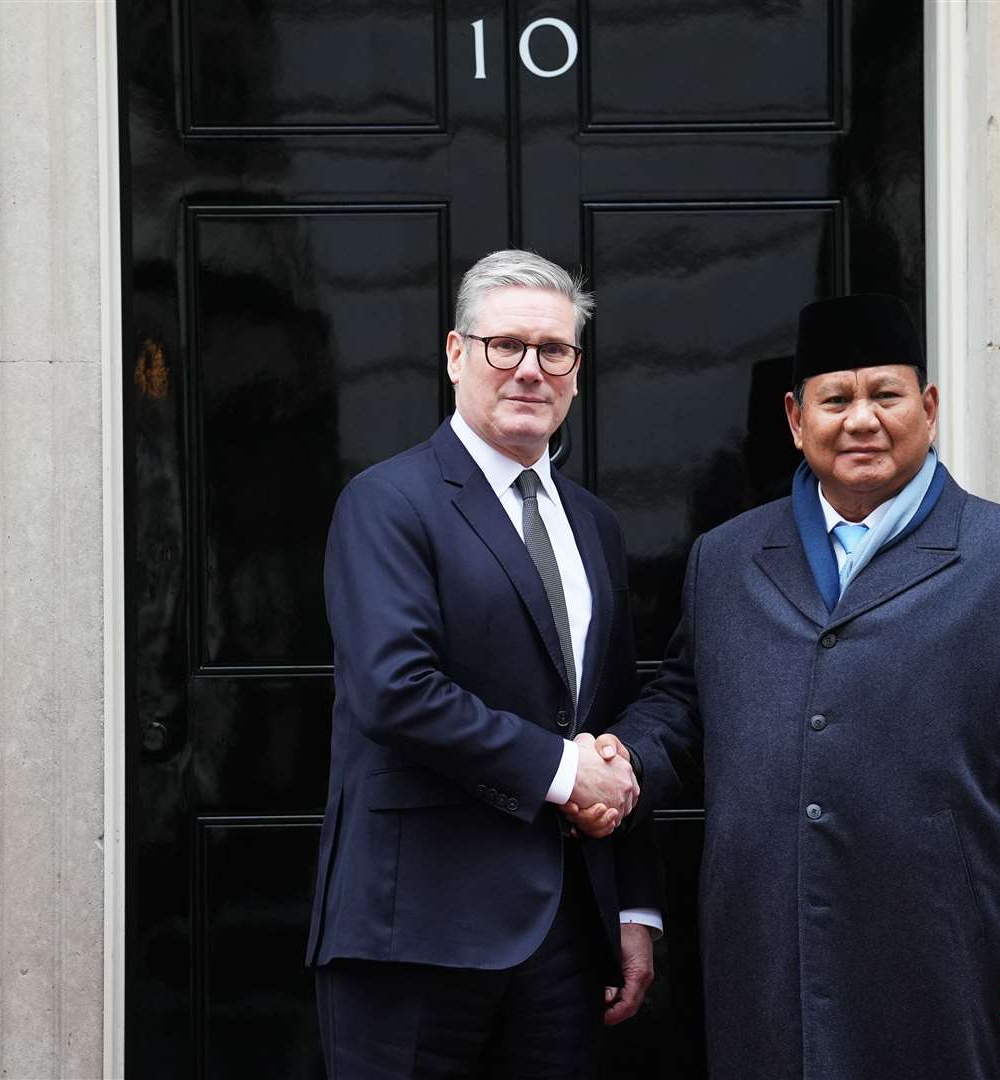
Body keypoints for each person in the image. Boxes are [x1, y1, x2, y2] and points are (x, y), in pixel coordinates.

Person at [573, 293, 1000, 1079]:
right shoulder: (725, 559)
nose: (861, 420)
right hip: (765, 943)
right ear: (796, 419)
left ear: (926, 407)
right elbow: (686, 700)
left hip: (947, 948)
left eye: (885, 395)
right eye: (836, 399)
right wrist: (625, 758)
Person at [307, 250, 661, 1079]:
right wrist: (563, 773)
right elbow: (396, 691)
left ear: (576, 370)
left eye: (554, 351)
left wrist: (632, 905)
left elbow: (609, 720)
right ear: (455, 354)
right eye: (505, 345)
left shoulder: (594, 525)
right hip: (415, 932)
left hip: (567, 937)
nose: (530, 370)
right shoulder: (388, 502)